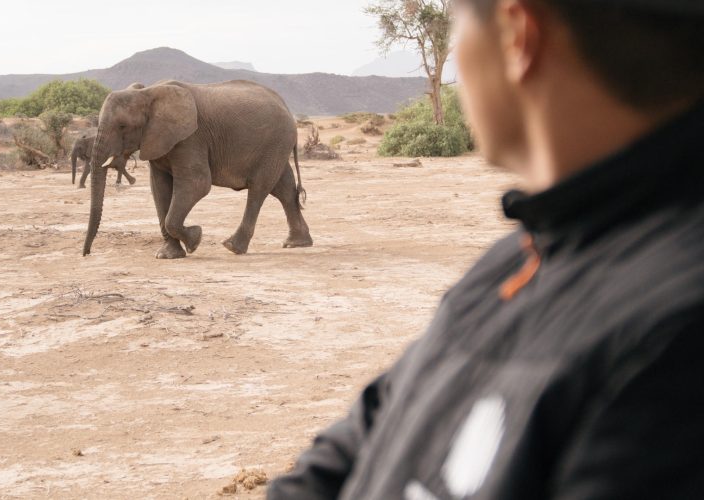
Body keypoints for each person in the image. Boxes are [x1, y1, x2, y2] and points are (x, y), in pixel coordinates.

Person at [268, 0, 704, 498]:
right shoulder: (518, 259)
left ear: (519, 36)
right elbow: (358, 440)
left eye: (457, 26)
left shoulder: (672, 339)